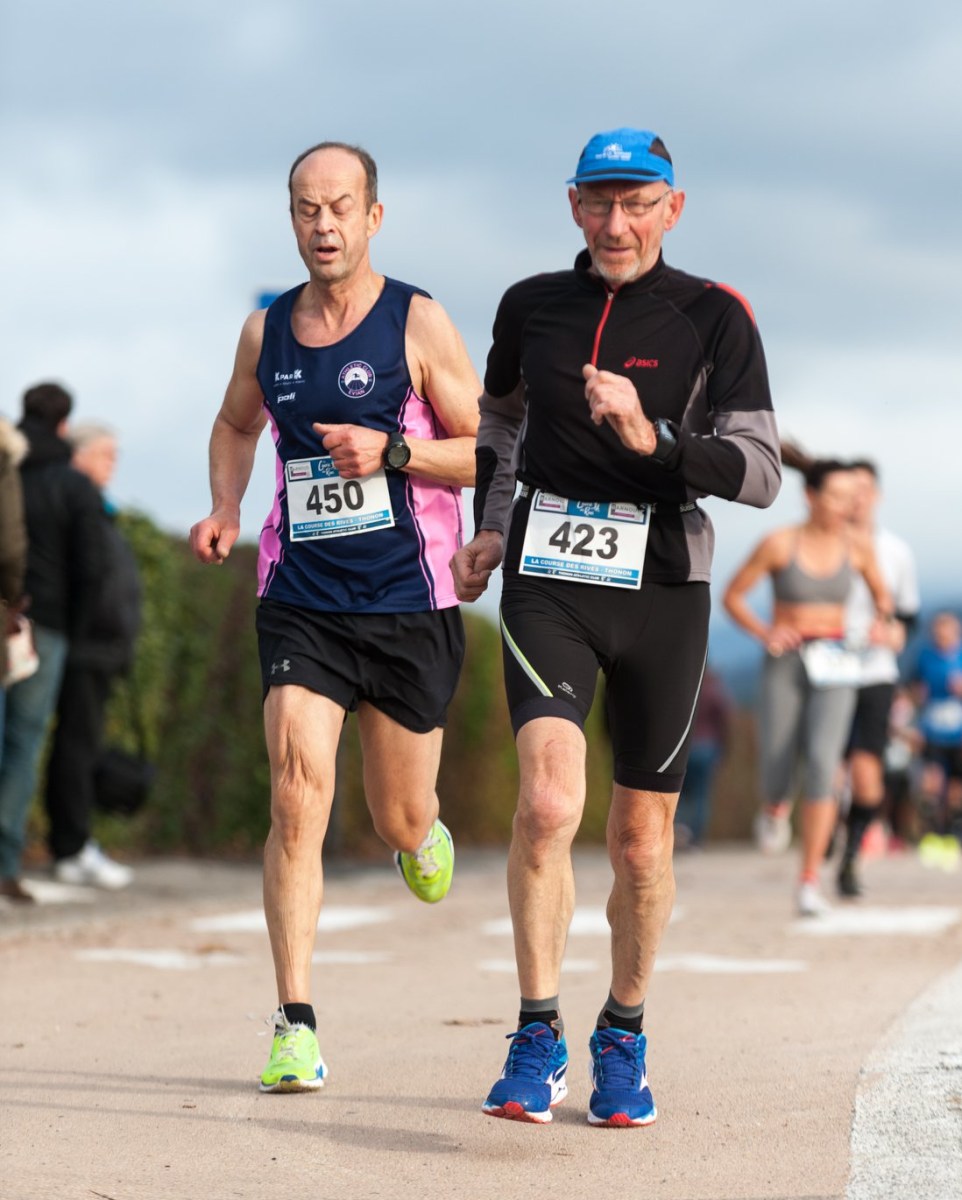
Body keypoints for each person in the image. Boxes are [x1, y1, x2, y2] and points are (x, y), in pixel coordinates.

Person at [451, 127, 781, 1127]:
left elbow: (760, 472)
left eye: (637, 202)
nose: (616, 221)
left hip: (665, 587)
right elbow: (499, 420)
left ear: (672, 209)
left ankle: (623, 1032)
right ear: (572, 206)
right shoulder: (530, 306)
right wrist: (492, 525)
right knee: (550, 802)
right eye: (598, 201)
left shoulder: (714, 316)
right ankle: (536, 1033)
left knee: (640, 843)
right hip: (548, 579)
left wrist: (656, 437)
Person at [189, 141, 480, 1093]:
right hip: (302, 598)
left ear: (373, 217)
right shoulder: (265, 332)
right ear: (292, 220)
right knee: (295, 792)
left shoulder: (417, 322)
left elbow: (487, 447)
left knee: (398, 816)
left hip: (408, 601)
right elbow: (235, 425)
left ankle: (420, 837)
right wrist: (227, 507)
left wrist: (394, 453)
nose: (324, 225)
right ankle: (295, 1023)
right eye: (307, 209)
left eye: (341, 207)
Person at [723, 446, 892, 916]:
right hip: (787, 662)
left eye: (851, 498)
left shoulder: (858, 546)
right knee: (777, 766)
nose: (846, 506)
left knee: (823, 764)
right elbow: (733, 596)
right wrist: (765, 632)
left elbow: (883, 598)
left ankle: (809, 881)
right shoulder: (779, 543)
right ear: (811, 496)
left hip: (837, 662)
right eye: (836, 496)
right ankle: (775, 806)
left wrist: (879, 623)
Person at [0, 384, 105, 903]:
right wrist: (74, 626)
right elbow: (91, 568)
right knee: (23, 744)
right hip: (46, 627)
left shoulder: (10, 466)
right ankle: (5, 864)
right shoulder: (74, 485)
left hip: (7, 611)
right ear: (64, 424)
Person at [44, 423, 140, 889]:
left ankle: (76, 843)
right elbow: (86, 579)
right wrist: (86, 636)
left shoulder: (98, 505)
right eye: (105, 454)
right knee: (75, 749)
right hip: (85, 647)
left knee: (82, 746)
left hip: (101, 648)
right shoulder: (75, 498)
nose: (112, 464)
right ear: (78, 455)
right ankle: (71, 847)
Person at [835, 460, 919, 896]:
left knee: (867, 774)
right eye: (849, 489)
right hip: (826, 668)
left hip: (875, 671)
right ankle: (823, 836)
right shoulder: (823, 542)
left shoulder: (896, 551)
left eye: (865, 489)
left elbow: (908, 614)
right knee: (828, 769)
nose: (857, 498)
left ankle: (851, 856)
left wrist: (896, 632)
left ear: (877, 495)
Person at [910, 612, 962, 852]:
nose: (942, 636)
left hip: (958, 734)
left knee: (955, 788)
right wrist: (917, 697)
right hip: (932, 731)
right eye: (938, 632)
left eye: (946, 631)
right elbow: (913, 691)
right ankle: (932, 833)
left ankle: (953, 833)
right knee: (931, 783)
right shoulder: (925, 658)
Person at [673, 665, 732, 849]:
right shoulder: (713, 690)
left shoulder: (681, 688)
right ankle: (696, 837)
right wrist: (724, 749)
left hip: (684, 748)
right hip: (707, 747)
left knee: (677, 793)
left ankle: (679, 830)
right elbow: (724, 721)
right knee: (701, 796)